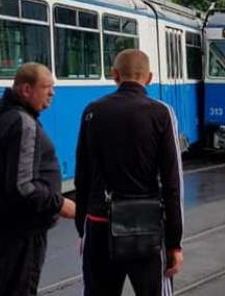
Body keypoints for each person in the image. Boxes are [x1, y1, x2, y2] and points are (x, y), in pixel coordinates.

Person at [75, 49, 184, 296]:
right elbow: (172, 183)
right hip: (145, 229)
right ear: (150, 78)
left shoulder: (93, 111)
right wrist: (174, 243)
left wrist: (83, 230)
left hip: (99, 224)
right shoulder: (161, 113)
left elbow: (83, 176)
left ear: (115, 75)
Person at [0, 63, 76, 296]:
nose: (52, 93)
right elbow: (23, 186)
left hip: (3, 223)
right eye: (46, 87)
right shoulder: (24, 124)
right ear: (26, 90)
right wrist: (60, 204)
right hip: (24, 229)